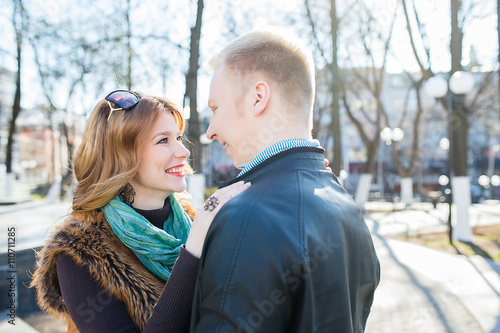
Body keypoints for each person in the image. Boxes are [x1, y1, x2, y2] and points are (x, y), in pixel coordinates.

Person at [188, 30, 380, 332]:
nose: (210, 130)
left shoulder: (246, 218)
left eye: (215, 108)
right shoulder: (347, 208)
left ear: (258, 98)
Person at [30, 90, 250, 333]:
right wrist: (192, 252)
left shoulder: (199, 221)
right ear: (122, 157)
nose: (184, 151)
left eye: (178, 137)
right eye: (163, 140)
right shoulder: (80, 252)